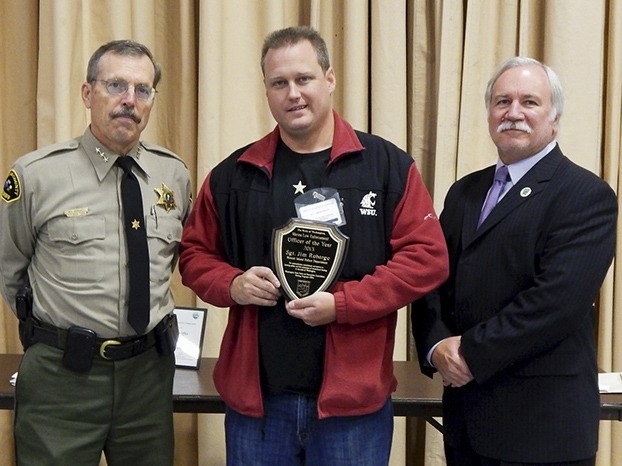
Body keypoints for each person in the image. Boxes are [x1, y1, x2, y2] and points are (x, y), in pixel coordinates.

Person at [179, 26, 448, 465]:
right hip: (258, 409)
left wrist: (343, 304)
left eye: (303, 79)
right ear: (266, 90)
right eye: (278, 83)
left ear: (330, 79)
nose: (293, 94)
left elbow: (426, 259)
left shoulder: (386, 167)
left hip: (351, 411)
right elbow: (193, 255)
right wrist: (233, 284)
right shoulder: (234, 174)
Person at [411, 56, 617, 465]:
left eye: (529, 102)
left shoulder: (585, 195)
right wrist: (436, 346)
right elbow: (431, 278)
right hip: (467, 421)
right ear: (489, 113)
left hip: (542, 429)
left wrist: (469, 352)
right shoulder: (464, 192)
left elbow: (554, 303)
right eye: (502, 101)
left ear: (554, 118)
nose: (514, 113)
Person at [0, 39, 192, 465]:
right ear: (88, 94)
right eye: (116, 85)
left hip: (147, 377)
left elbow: (173, 262)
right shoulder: (36, 175)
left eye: (142, 90)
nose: (129, 100)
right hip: (62, 377)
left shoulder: (173, 174)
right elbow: (12, 270)